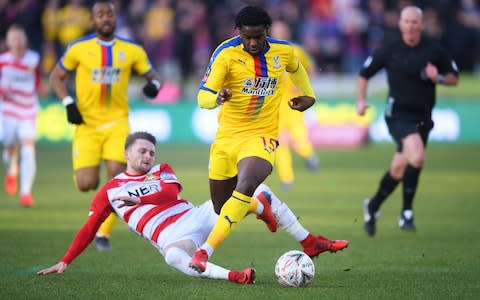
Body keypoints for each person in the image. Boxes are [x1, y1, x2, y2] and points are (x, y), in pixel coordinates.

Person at [37, 131, 348, 284]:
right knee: (173, 256)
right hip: (174, 237)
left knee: (256, 186)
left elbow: (169, 192)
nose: (148, 156)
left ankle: (274, 215)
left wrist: (141, 198)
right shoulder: (109, 190)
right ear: (126, 153)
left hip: (196, 216)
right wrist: (65, 260)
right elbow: (90, 226)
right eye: (142, 151)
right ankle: (236, 276)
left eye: (151, 152)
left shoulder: (162, 171)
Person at [191, 6, 347, 273]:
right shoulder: (225, 54)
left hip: (261, 135)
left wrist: (309, 94)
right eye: (247, 37)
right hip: (226, 139)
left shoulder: (283, 51)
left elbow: (296, 68)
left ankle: (204, 252)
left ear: (267, 32)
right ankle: (275, 217)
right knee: (222, 208)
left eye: (258, 37)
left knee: (248, 182)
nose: (252, 43)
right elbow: (202, 96)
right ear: (238, 32)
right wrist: (217, 98)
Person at [49, 0, 162, 251]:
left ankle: (104, 232)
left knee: (116, 175)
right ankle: (88, 179)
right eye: (100, 15)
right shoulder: (79, 48)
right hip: (87, 124)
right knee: (86, 184)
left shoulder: (131, 49)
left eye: (109, 14)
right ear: (92, 20)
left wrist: (152, 86)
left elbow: (154, 76)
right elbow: (56, 76)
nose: (105, 18)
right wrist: (68, 102)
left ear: (115, 17)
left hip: (117, 122)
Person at [356, 6, 459, 237]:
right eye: (407, 21)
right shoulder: (389, 49)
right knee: (418, 157)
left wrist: (439, 77)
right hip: (398, 115)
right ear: (400, 24)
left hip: (423, 117)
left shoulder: (434, 50)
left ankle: (372, 207)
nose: (411, 26)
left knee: (399, 169)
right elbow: (364, 74)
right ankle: (407, 214)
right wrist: (361, 101)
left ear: (421, 25)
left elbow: (455, 78)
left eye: (415, 22)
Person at [0, 24, 48, 207]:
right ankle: (12, 171)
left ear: (25, 40)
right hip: (8, 111)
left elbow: (37, 80)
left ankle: (25, 193)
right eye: (14, 39)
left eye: (20, 38)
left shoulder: (34, 59)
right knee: (10, 148)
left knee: (28, 149)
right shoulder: (2, 60)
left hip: (28, 110)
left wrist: (41, 87)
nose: (18, 42)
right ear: (8, 42)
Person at [270, 20, 320, 190]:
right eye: (276, 31)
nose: (279, 33)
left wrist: (303, 87)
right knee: (280, 143)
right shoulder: (267, 53)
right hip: (275, 107)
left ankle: (309, 155)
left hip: (295, 105)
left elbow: (311, 69)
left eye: (281, 30)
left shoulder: (297, 51)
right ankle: (287, 179)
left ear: (287, 32)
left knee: (299, 140)